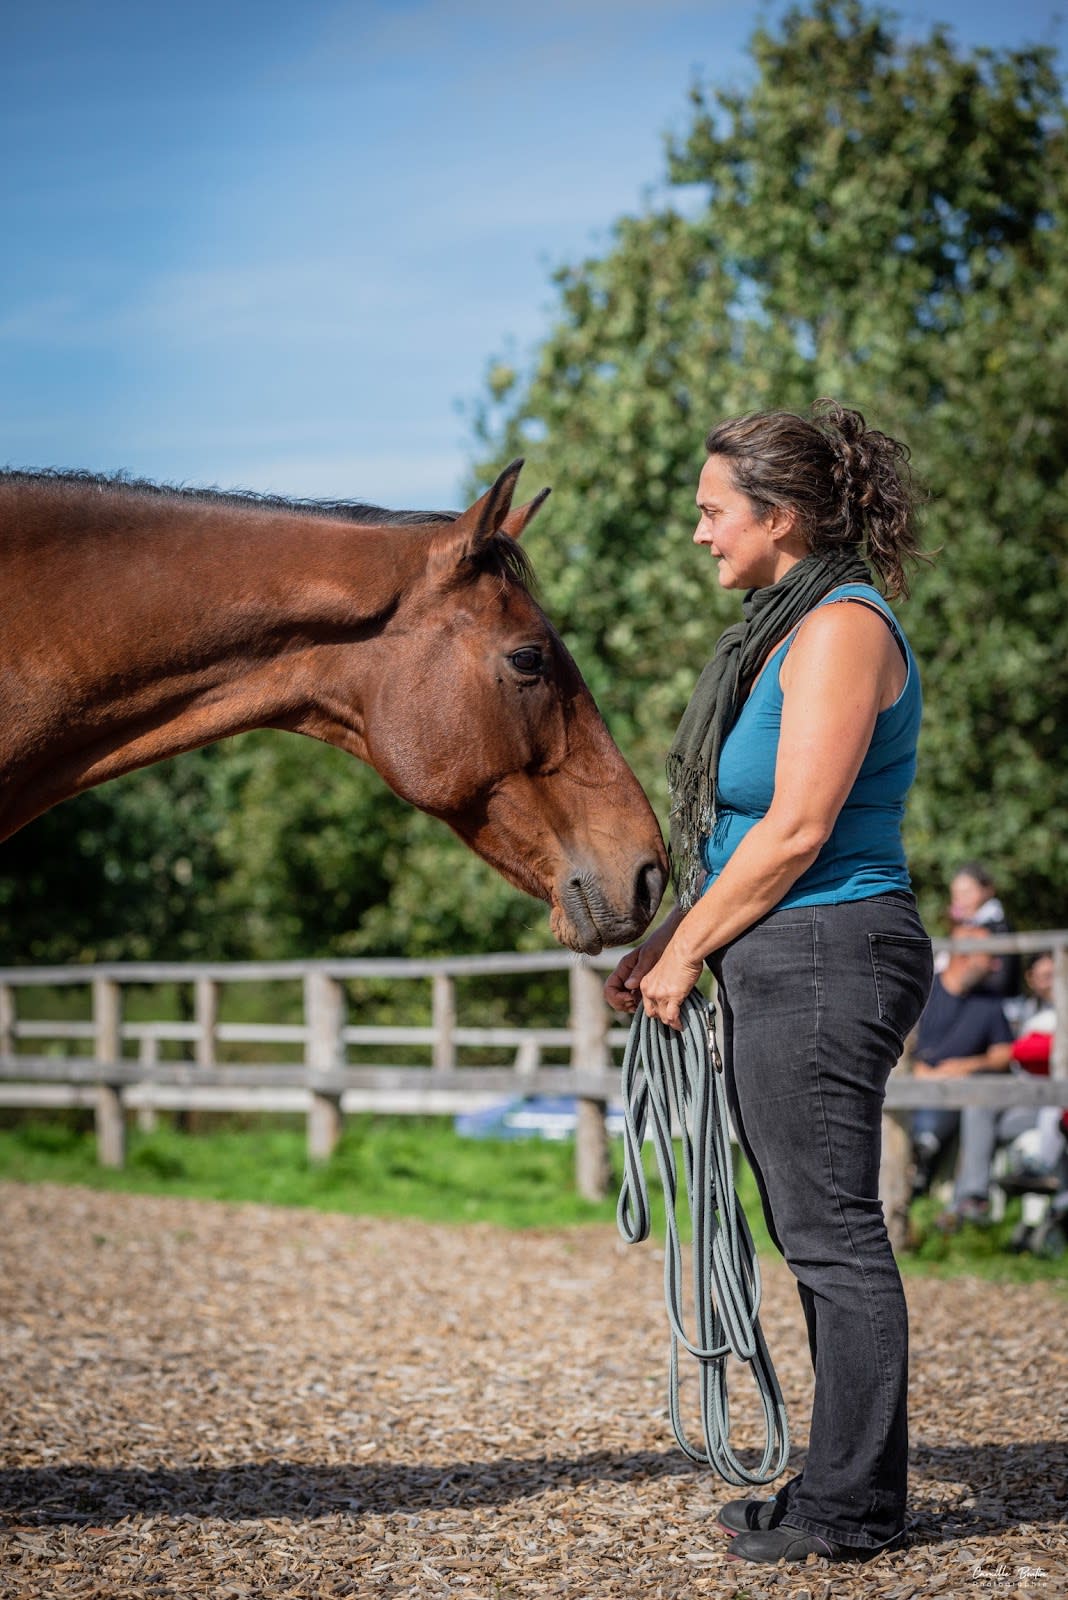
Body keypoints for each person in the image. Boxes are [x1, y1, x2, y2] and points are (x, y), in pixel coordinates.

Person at [606, 400, 933, 1566]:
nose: (699, 533)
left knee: (832, 1232)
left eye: (712, 511)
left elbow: (797, 829)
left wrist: (691, 948)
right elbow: (749, 833)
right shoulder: (785, 624)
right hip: (785, 944)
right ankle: (843, 1485)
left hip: (827, 944)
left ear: (779, 517)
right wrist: (674, 937)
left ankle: (853, 1506)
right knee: (812, 1229)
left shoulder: (841, 629)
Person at [909, 922, 1015, 1203]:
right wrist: (916, 1070)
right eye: (987, 954)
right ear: (965, 955)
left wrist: (966, 1067)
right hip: (915, 1087)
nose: (995, 963)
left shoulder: (990, 1001)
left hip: (959, 1093)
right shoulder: (924, 989)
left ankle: (959, 1200)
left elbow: (1004, 1054)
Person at [947, 862, 1019, 999]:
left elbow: (1002, 981)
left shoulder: (999, 927)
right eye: (955, 894)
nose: (960, 900)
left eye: (967, 892)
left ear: (987, 891)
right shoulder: (961, 926)